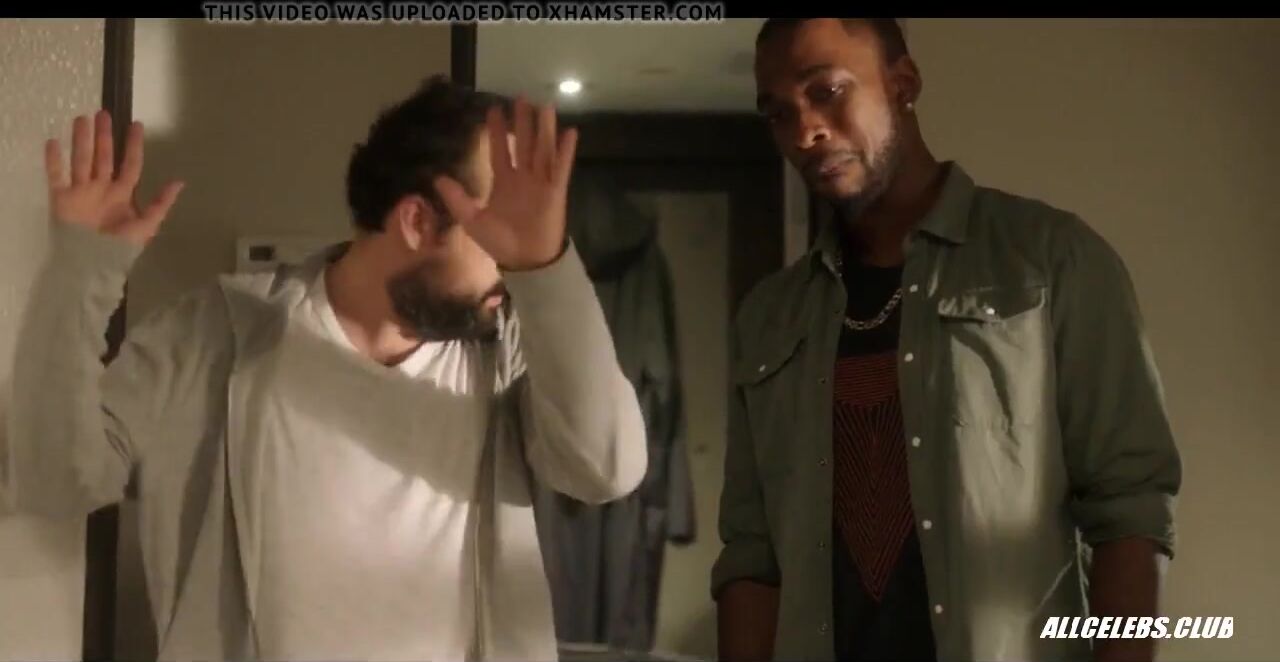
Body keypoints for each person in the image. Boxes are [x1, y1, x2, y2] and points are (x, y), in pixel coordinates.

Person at [2, 75, 648, 661]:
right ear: (417, 221)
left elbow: (604, 469)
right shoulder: (208, 335)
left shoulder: (509, 352)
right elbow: (54, 481)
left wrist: (546, 269)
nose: (515, 254)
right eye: (500, 225)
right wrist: (78, 276)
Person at [712, 18, 1182, 662]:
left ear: (902, 84)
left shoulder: (1050, 262)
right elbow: (751, 552)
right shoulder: (768, 316)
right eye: (778, 114)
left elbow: (1130, 509)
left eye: (827, 92)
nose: (804, 132)